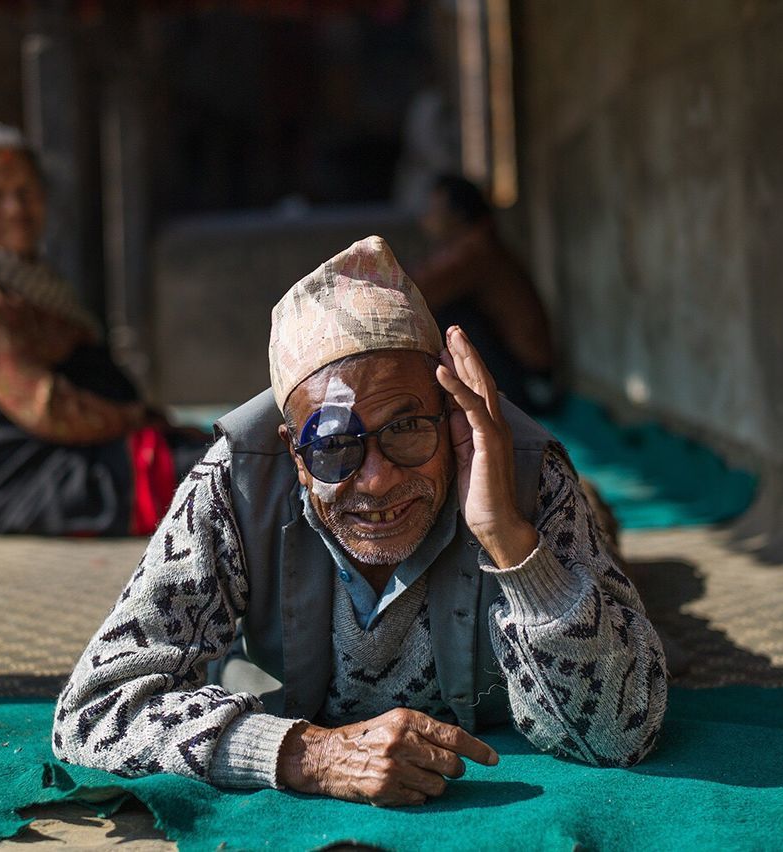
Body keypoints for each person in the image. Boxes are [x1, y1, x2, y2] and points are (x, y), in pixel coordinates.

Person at [53, 236, 667, 806]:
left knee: (610, 549)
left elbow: (620, 732)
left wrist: (509, 537)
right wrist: (307, 754)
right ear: (294, 453)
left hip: (546, 510)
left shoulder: (521, 468)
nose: (376, 480)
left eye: (405, 428)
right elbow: (93, 711)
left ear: (452, 415)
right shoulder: (235, 481)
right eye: (332, 445)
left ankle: (598, 513)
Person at [0, 123, 201, 537]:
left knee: (218, 457)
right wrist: (138, 419)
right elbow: (46, 408)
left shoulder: (26, 279)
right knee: (209, 476)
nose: (15, 208)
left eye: (26, 192)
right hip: (26, 479)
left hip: (73, 451)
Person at [414, 174, 561, 414]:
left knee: (442, 317)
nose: (426, 220)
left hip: (528, 381)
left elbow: (418, 292)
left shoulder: (477, 251)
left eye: (433, 211)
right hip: (522, 373)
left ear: (457, 215)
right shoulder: (475, 246)